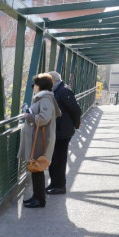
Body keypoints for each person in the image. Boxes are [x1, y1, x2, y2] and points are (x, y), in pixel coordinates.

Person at [19, 73, 60, 208]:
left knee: (38, 168)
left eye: (34, 85)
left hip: (41, 140)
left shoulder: (45, 99)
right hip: (40, 138)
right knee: (36, 168)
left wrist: (29, 116)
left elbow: (44, 118)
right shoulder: (44, 99)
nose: (33, 87)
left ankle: (39, 199)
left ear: (40, 86)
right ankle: (36, 197)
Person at [46, 71, 82, 195]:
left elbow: (76, 109)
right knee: (54, 158)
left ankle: (60, 186)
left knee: (59, 159)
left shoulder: (64, 91)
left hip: (63, 132)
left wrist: (76, 125)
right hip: (57, 130)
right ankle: (54, 183)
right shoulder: (56, 91)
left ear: (53, 81)